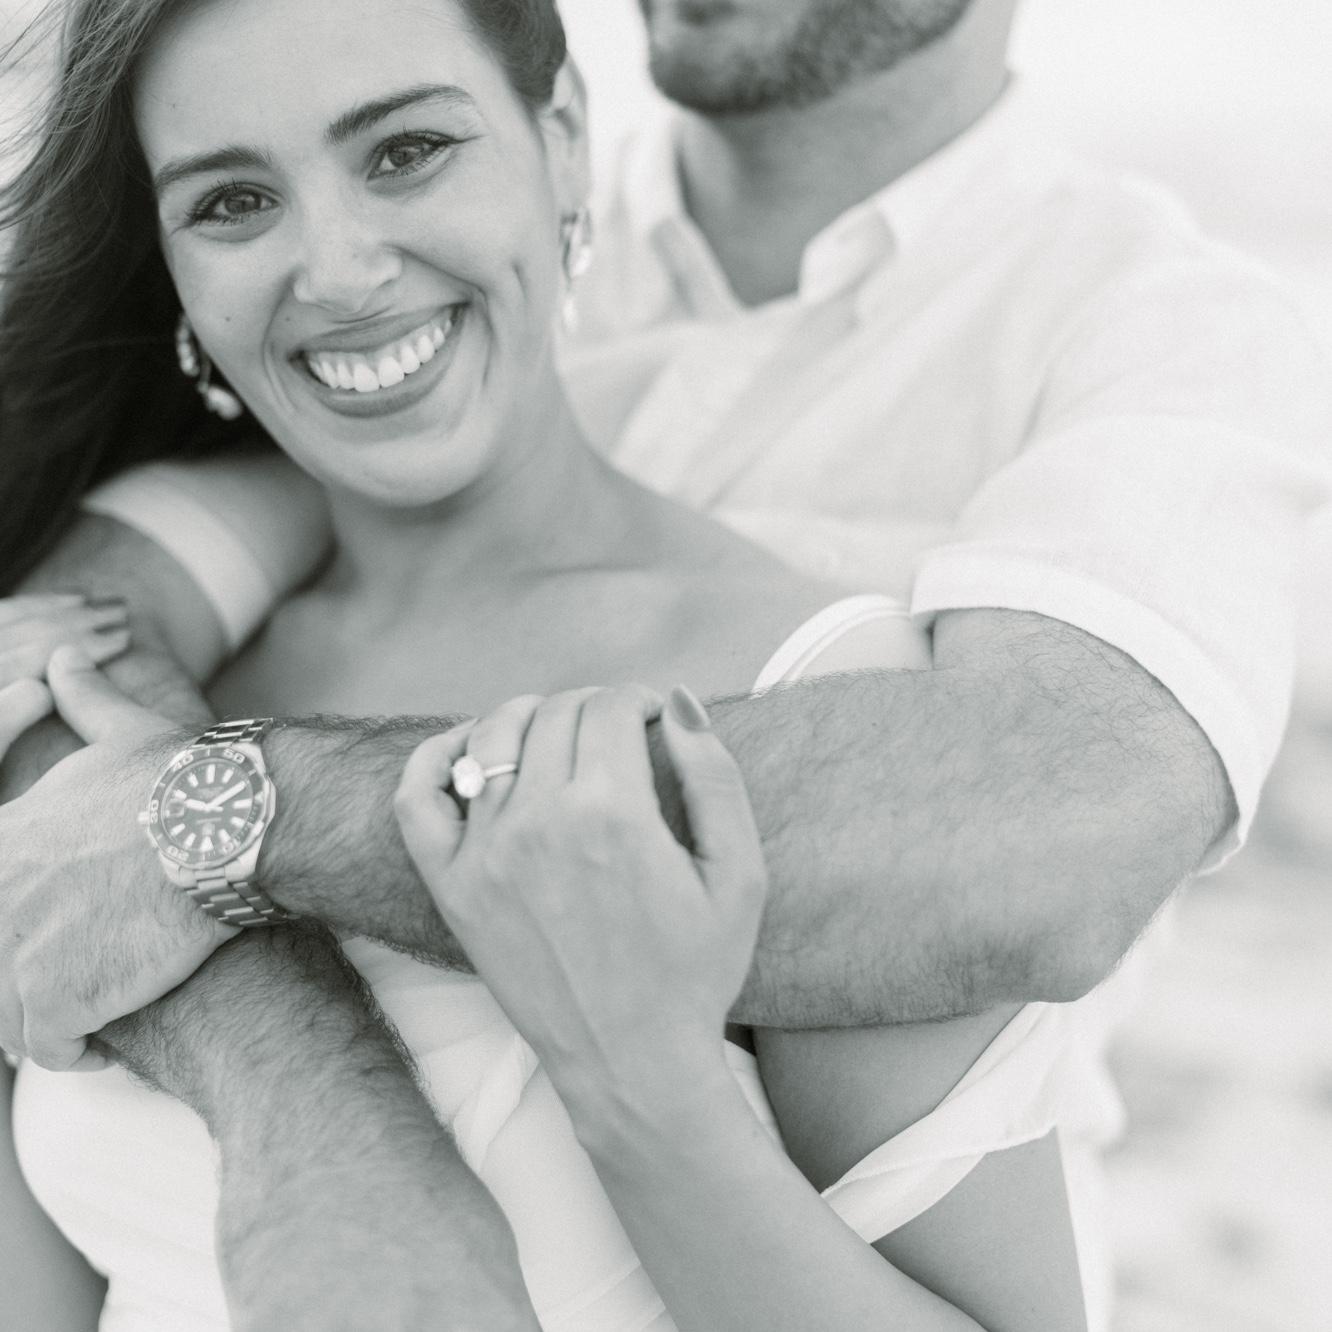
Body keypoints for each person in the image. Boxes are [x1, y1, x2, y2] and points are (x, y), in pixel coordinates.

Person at [0, 0, 1326, 1320]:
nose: (341, 271)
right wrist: (323, 1137)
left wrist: (225, 820)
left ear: (559, 147)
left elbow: (1046, 826)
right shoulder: (168, 656)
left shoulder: (1122, 364)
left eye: (405, 153)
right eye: (231, 202)